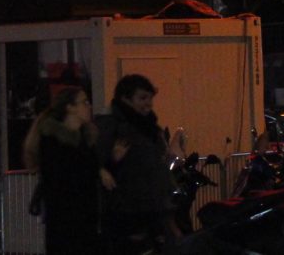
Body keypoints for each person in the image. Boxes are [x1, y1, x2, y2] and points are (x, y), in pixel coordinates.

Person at [95, 74, 173, 255]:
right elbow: (96, 164)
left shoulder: (150, 127)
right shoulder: (111, 125)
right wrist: (110, 162)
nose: (149, 103)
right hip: (127, 209)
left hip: (151, 207)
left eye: (150, 98)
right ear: (126, 99)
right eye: (142, 98)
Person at [22, 87, 103, 255]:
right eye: (84, 102)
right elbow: (63, 177)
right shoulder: (53, 141)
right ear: (69, 107)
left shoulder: (85, 138)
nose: (89, 106)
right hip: (67, 221)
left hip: (84, 219)